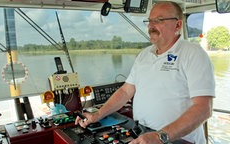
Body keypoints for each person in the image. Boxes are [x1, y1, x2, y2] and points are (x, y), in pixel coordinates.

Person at [75, 1, 215, 144]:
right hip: (143, 134)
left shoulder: (193, 54)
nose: (150, 26)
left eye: (158, 20)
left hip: (178, 139)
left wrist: (160, 136)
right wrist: (97, 115)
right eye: (149, 21)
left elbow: (204, 108)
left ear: (178, 25)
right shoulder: (144, 55)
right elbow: (125, 91)